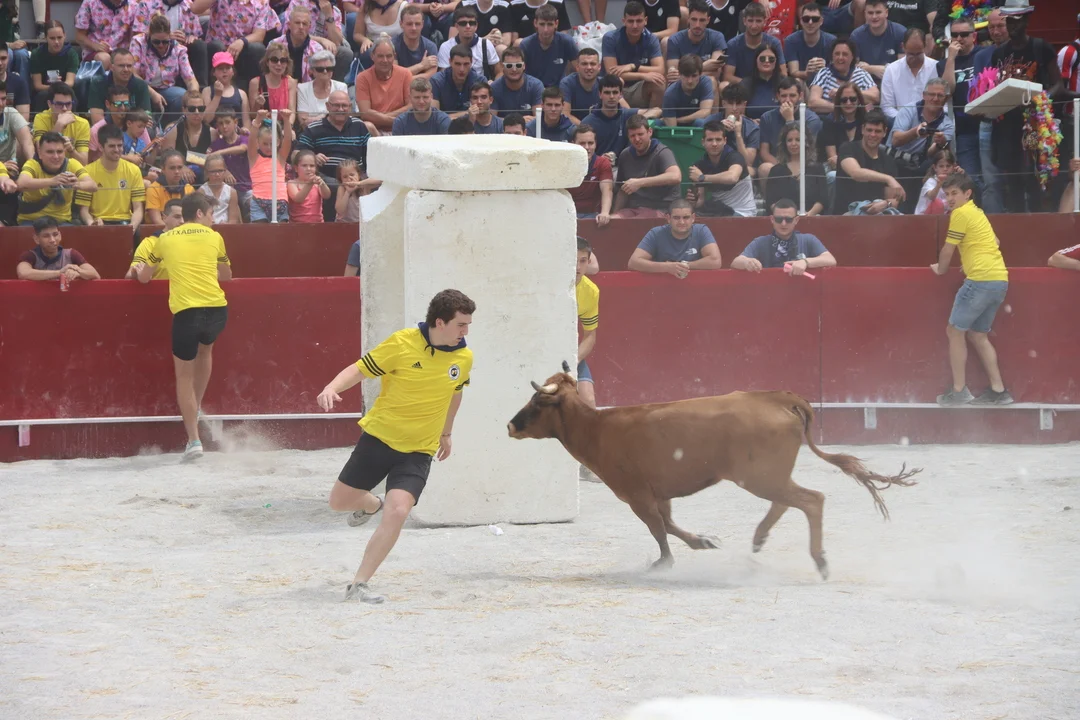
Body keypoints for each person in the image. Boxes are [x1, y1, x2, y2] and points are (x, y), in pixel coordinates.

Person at [317, 289, 476, 604]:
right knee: (338, 502)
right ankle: (370, 505)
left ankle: (359, 584)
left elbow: (455, 394)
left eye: (468, 325)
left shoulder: (463, 357)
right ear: (440, 322)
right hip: (380, 439)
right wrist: (332, 387)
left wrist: (446, 433)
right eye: (461, 325)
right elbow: (360, 369)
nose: (466, 332)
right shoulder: (402, 343)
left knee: (399, 510)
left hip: (419, 450)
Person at [135, 192, 233, 459]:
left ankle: (194, 440)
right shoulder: (214, 237)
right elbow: (227, 275)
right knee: (206, 351)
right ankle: (196, 406)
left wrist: (141, 269)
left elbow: (144, 278)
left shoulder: (165, 239)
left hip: (187, 312)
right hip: (217, 310)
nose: (213, 219)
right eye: (211, 214)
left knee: (184, 376)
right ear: (200, 214)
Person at [930, 173, 1011, 407]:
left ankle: (959, 391)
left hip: (980, 280)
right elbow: (996, 242)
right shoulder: (977, 213)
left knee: (954, 331)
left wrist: (940, 270)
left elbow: (948, 249)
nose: (949, 199)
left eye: (954, 193)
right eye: (947, 194)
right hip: (999, 279)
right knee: (977, 335)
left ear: (967, 194)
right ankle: (999, 391)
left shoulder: (960, 214)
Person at [989, 1, 1062, 213]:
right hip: (1008, 125)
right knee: (1012, 179)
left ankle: (1038, 220)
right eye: (1009, 21)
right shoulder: (999, 53)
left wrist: (1042, 99)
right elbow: (994, 87)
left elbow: (1058, 84)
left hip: (1035, 123)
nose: (1012, 26)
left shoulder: (1041, 47)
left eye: (1017, 21)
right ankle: (1017, 222)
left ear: (1027, 21)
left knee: (1034, 175)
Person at [730, 199, 836, 273]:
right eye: (779, 219)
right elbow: (735, 262)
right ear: (772, 219)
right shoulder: (760, 242)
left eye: (788, 219)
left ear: (796, 220)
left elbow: (831, 260)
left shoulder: (808, 239)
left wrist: (805, 262)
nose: (783, 224)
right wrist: (747, 262)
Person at [16, 131, 96, 226]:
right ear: (40, 152)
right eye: (50, 152)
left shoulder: (72, 164)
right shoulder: (33, 164)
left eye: (60, 151)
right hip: (32, 221)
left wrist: (76, 184)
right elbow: (21, 184)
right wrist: (53, 181)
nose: (56, 156)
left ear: (65, 151)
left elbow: (93, 186)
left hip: (61, 222)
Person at [833, 109, 904, 215]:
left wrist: (886, 204)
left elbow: (894, 199)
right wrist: (889, 178)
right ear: (862, 129)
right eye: (869, 130)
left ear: (885, 132)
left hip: (877, 215)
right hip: (848, 214)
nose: (873, 135)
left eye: (877, 131)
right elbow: (856, 173)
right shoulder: (848, 148)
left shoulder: (888, 160)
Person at [76, 124, 146, 229]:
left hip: (125, 222)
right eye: (112, 146)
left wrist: (132, 227)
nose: (117, 150)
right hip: (99, 222)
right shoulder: (87, 172)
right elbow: (84, 210)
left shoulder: (134, 170)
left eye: (120, 145)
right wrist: (92, 224)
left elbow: (138, 208)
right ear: (101, 147)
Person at [628, 199, 722, 276]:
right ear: (668, 218)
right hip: (662, 287)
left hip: (696, 287)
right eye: (676, 218)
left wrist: (683, 265)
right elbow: (633, 262)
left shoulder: (701, 230)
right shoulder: (656, 233)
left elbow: (715, 261)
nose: (681, 222)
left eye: (686, 217)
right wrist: (666, 267)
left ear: (693, 218)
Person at [613, 114, 682, 218]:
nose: (637, 139)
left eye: (640, 134)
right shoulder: (625, 155)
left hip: (661, 208)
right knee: (614, 219)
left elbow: (676, 177)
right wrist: (614, 215)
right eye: (632, 136)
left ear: (650, 132)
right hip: (635, 208)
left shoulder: (662, 152)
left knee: (635, 222)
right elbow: (622, 191)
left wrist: (639, 183)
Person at [203, 0, 281, 90]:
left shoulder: (262, 2)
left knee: (257, 48)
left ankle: (253, 91)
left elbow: (259, 35)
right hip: (219, 46)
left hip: (242, 48)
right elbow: (196, 9)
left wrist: (241, 42)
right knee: (216, 46)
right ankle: (214, 91)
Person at [685, 119, 757, 217]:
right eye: (710, 140)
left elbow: (732, 177)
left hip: (743, 213)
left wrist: (702, 177)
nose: (714, 144)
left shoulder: (735, 157)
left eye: (718, 140)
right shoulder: (699, 165)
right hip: (718, 211)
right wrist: (693, 202)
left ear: (725, 141)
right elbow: (700, 201)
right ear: (703, 142)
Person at [601, 1, 665, 110]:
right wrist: (642, 75)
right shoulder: (610, 38)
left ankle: (652, 119)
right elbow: (612, 74)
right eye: (631, 21)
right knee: (618, 80)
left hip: (638, 88)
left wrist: (633, 66)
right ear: (624, 21)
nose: (635, 26)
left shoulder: (651, 39)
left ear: (645, 20)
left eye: (639, 21)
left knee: (659, 82)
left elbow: (660, 70)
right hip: (614, 89)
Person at [132, 0, 210, 86]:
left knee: (199, 45)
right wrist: (166, 37)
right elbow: (139, 34)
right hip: (152, 50)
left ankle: (201, 88)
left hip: (179, 50)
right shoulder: (146, 4)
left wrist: (191, 37)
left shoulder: (188, 5)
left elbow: (195, 34)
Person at [765, 122, 828, 215]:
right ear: (784, 143)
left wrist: (809, 214)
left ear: (806, 142)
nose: (793, 144)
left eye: (798, 140)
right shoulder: (776, 171)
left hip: (812, 217)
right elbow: (771, 200)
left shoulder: (817, 168)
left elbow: (823, 199)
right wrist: (787, 216)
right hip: (784, 219)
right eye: (789, 140)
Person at [664, 0, 727, 92]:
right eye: (694, 19)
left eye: (702, 20)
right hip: (681, 87)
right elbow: (673, 77)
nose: (697, 25)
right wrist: (703, 66)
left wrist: (685, 73)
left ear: (708, 20)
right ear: (688, 19)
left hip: (705, 84)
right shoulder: (675, 40)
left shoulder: (717, 37)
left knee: (711, 81)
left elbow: (715, 72)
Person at [16, 216, 101, 282]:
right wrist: (60, 273)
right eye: (46, 236)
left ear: (60, 235)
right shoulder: (29, 255)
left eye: (55, 234)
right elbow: (23, 273)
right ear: (36, 239)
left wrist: (78, 273)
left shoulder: (71, 254)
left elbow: (95, 275)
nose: (52, 240)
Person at [880, 28, 938, 122]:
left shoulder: (936, 67)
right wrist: (906, 121)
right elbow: (887, 107)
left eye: (918, 54)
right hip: (900, 124)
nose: (915, 58)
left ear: (925, 46)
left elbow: (944, 105)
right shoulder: (891, 70)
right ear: (903, 47)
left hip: (931, 123)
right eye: (911, 54)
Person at [807, 37, 879, 115]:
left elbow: (875, 97)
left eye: (845, 54)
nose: (840, 58)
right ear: (832, 56)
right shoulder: (823, 73)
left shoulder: (862, 74)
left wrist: (842, 93)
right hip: (830, 119)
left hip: (858, 118)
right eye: (837, 54)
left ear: (852, 57)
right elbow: (812, 102)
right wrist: (841, 108)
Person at [355, 37, 412, 132]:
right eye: (380, 56)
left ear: (394, 56)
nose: (385, 60)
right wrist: (395, 120)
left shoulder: (405, 74)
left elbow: (410, 107)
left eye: (389, 56)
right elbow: (365, 113)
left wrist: (381, 118)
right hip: (376, 130)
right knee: (367, 126)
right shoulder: (363, 78)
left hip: (402, 129)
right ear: (372, 56)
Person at [247, 108, 294, 222]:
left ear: (278, 142)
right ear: (258, 142)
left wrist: (286, 120)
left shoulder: (280, 158)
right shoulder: (254, 158)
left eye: (272, 143)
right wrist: (258, 120)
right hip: (259, 201)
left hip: (280, 201)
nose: (269, 147)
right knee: (260, 231)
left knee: (281, 231)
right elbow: (251, 140)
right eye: (265, 143)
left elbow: (288, 140)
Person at [722, 3, 785, 86]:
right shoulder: (733, 44)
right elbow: (727, 77)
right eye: (750, 21)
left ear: (765, 21)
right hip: (742, 87)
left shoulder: (774, 43)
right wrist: (751, 85)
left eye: (758, 21)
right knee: (724, 85)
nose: (754, 26)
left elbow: (783, 75)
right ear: (744, 21)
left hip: (768, 86)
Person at [86, 49, 153, 126]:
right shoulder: (98, 83)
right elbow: (97, 120)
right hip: (107, 130)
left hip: (133, 130)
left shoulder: (141, 85)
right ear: (111, 67)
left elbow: (146, 120)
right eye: (121, 66)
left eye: (129, 66)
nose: (126, 70)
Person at [32, 82, 91, 165]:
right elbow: (40, 153)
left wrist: (71, 150)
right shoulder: (41, 118)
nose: (64, 108)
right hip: (46, 166)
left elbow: (84, 162)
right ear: (50, 104)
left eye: (68, 104)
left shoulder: (82, 123)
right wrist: (59, 125)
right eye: (59, 104)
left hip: (71, 168)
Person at [519, 4, 576, 89]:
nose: (545, 29)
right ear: (535, 23)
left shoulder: (566, 41)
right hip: (533, 90)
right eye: (542, 24)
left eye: (550, 24)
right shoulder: (525, 45)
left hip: (559, 91)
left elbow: (579, 68)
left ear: (556, 24)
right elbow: (519, 74)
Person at [127, 198, 185, 280]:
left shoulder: (194, 243)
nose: (182, 221)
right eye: (177, 217)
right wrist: (137, 272)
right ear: (164, 217)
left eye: (185, 217)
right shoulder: (149, 243)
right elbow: (129, 274)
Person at [28, 21, 79, 112]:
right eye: (52, 38)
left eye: (59, 37)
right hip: (45, 91)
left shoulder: (71, 54)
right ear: (45, 38)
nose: (56, 42)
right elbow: (37, 85)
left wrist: (58, 86)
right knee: (42, 96)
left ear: (65, 36)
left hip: (65, 90)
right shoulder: (37, 54)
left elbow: (70, 82)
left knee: (71, 96)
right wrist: (54, 87)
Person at [574, 237, 600, 417]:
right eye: (573, 261)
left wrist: (573, 360)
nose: (577, 267)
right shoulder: (544, 287)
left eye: (582, 261)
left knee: (588, 402)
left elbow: (590, 335)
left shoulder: (591, 291)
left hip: (569, 355)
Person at [568, 123, 612, 223]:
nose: (587, 147)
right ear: (573, 144)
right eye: (582, 143)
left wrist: (605, 213)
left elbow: (607, 189)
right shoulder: (566, 164)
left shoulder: (602, 163)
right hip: (568, 214)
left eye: (590, 143)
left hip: (593, 215)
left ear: (596, 144)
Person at [74, 0, 137, 69]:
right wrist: (95, 46)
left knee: (130, 61)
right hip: (95, 52)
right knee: (105, 59)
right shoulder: (90, 2)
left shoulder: (133, 5)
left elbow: (135, 38)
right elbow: (79, 36)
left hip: (122, 52)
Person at [785, 2, 835, 83]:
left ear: (821, 21)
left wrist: (825, 69)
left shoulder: (832, 41)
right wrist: (807, 73)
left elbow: (837, 71)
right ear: (801, 21)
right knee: (797, 81)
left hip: (825, 83)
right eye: (806, 19)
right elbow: (793, 72)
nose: (810, 22)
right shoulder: (791, 40)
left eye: (815, 19)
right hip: (803, 84)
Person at [297, 50, 348, 125]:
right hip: (312, 131)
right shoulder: (302, 88)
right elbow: (303, 122)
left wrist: (316, 118)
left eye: (329, 68)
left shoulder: (341, 87)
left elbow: (342, 117)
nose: (325, 72)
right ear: (312, 71)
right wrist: (328, 116)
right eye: (320, 69)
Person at [661, 54, 714, 127]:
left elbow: (705, 112)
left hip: (694, 123)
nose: (690, 81)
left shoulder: (705, 82)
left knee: (700, 122)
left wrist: (679, 120)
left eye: (694, 76)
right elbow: (672, 128)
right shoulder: (670, 93)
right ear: (679, 74)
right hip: (677, 126)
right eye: (686, 76)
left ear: (700, 74)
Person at [204, 52, 252, 130]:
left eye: (228, 68)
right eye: (220, 68)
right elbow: (206, 119)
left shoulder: (242, 93)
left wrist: (245, 132)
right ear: (214, 72)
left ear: (233, 72)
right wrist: (217, 95)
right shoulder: (207, 91)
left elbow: (246, 121)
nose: (224, 71)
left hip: (237, 134)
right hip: (215, 134)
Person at [249, 41, 299, 117]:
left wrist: (288, 123)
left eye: (283, 60)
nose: (279, 64)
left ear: (287, 63)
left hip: (284, 123)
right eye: (274, 60)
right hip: (263, 123)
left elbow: (292, 113)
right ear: (267, 62)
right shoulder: (255, 82)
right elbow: (252, 116)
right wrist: (257, 105)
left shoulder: (291, 83)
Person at [146, 150, 196, 224]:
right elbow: (157, 221)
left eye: (180, 167)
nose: (177, 171)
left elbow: (192, 218)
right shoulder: (153, 189)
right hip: (161, 230)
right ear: (163, 169)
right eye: (172, 168)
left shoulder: (189, 189)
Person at [392, 5, 439, 80]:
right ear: (401, 24)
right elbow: (394, 76)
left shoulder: (431, 47)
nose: (414, 28)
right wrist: (421, 65)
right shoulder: (392, 45)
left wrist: (403, 79)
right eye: (409, 24)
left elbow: (430, 77)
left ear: (422, 24)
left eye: (417, 24)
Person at [560, 47, 606, 123]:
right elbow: (565, 114)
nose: (589, 67)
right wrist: (586, 128)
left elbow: (624, 109)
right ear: (577, 67)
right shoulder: (567, 83)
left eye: (593, 64)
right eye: (584, 64)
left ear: (599, 67)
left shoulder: (605, 83)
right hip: (575, 127)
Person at [288, 148, 330, 222]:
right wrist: (310, 184)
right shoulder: (292, 183)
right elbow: (298, 199)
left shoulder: (317, 184)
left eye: (312, 166)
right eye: (304, 165)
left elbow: (327, 195)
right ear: (296, 168)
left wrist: (322, 184)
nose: (308, 168)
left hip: (318, 224)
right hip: (297, 225)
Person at [914, 147, 959, 215]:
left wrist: (962, 176)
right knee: (937, 203)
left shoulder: (954, 180)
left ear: (953, 167)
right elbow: (931, 197)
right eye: (941, 166)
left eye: (948, 166)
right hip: (924, 217)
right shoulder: (931, 181)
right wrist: (938, 185)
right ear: (935, 168)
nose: (945, 169)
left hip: (944, 215)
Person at [199, 154, 242, 224]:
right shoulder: (201, 192)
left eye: (220, 171)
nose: (217, 174)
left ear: (225, 171)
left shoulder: (231, 192)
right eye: (213, 171)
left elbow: (233, 219)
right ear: (207, 172)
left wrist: (226, 225)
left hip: (226, 227)